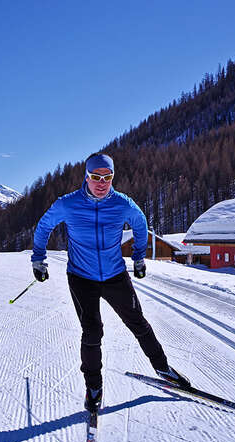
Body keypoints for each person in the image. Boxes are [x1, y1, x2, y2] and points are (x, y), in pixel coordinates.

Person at [31, 153, 189, 413]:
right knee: (92, 331)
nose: (102, 183)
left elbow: (140, 225)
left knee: (138, 322)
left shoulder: (122, 204)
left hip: (115, 275)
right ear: (87, 176)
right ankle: (93, 386)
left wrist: (138, 258)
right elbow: (44, 226)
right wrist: (38, 259)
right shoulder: (67, 204)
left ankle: (163, 369)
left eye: (107, 177)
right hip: (82, 277)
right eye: (96, 177)